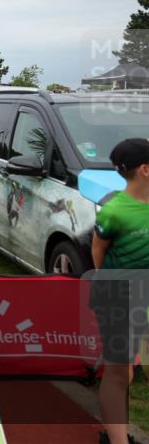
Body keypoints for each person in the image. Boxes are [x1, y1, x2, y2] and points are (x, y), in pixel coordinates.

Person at [90, 138, 149, 444]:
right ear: (145, 169)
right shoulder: (115, 210)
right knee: (118, 373)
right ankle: (117, 440)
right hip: (119, 297)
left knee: (126, 372)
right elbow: (98, 252)